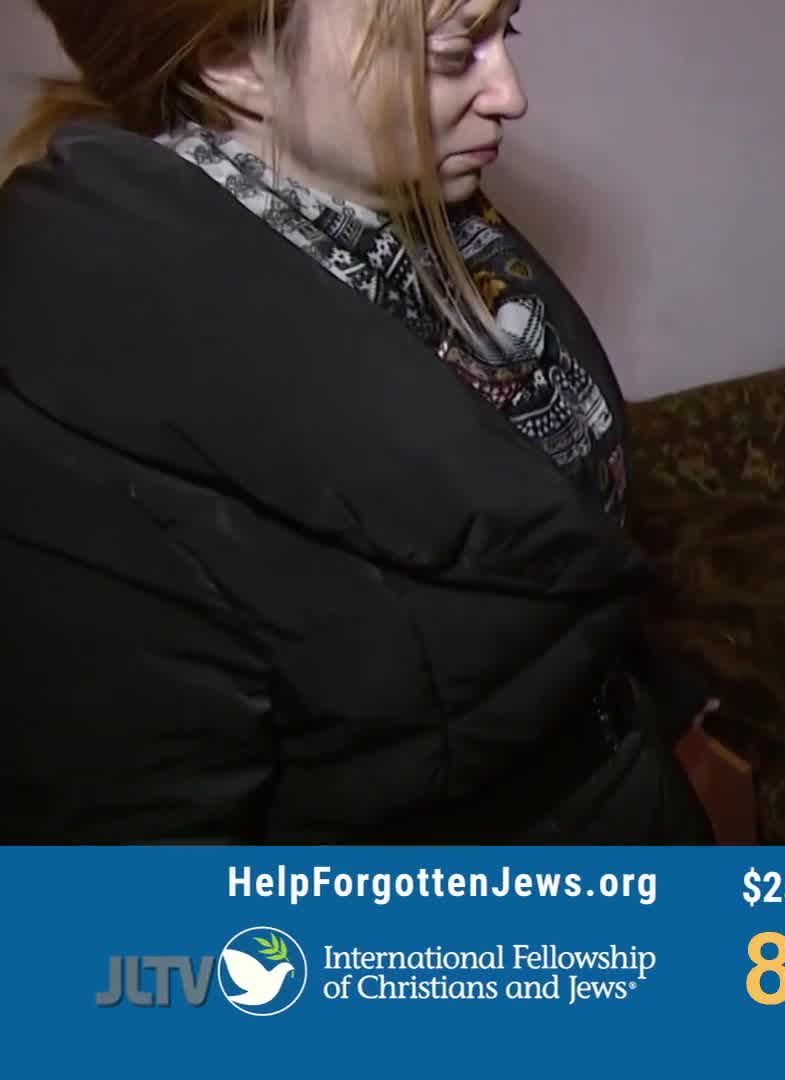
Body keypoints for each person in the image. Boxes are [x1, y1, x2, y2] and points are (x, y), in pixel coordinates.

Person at [0, 0, 714, 844]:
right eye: (454, 51)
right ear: (235, 61)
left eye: (505, 33)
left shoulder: (449, 240)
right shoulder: (73, 423)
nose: (510, 94)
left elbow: (559, 575)